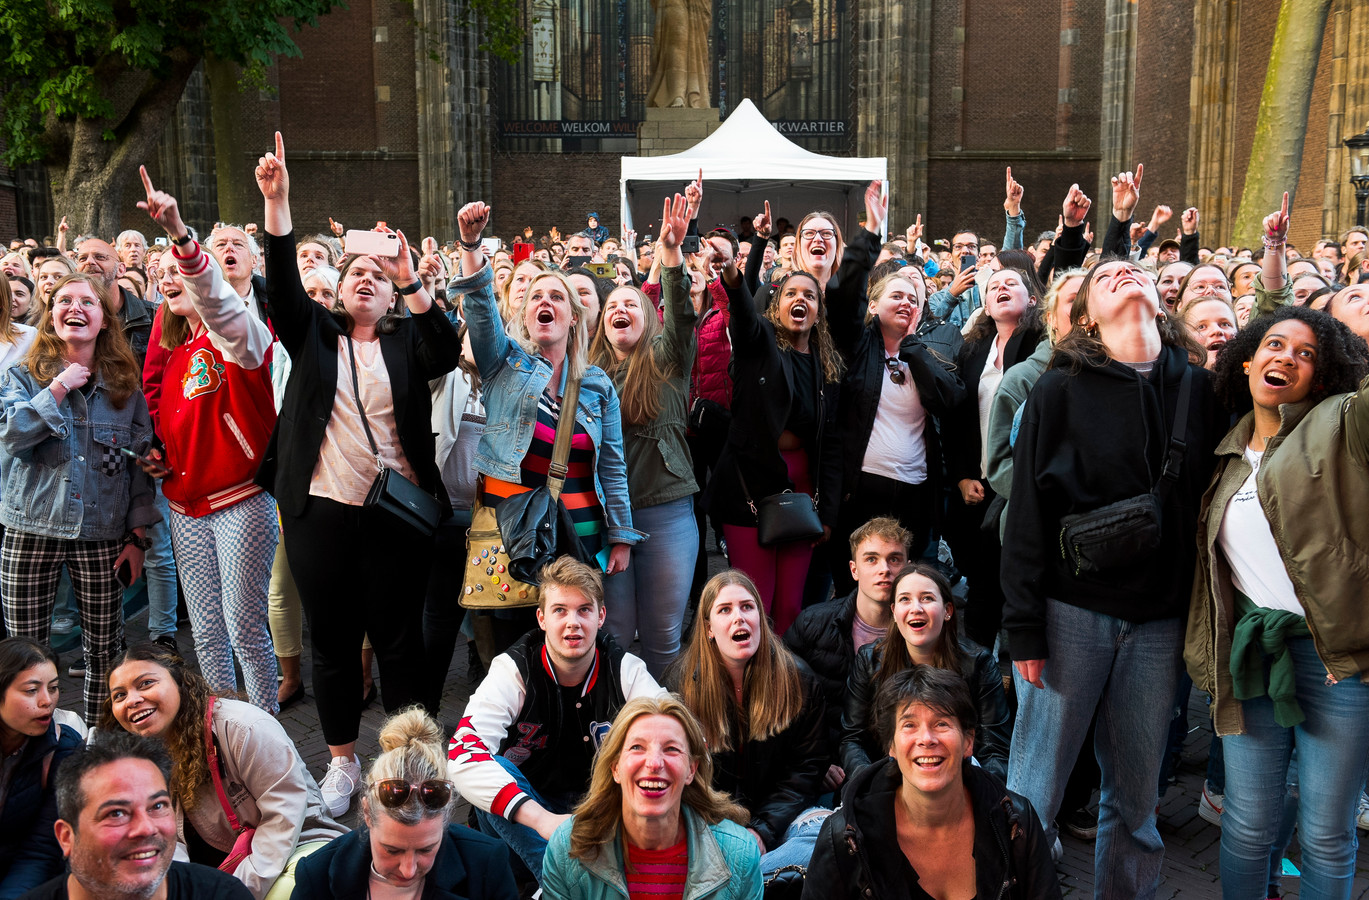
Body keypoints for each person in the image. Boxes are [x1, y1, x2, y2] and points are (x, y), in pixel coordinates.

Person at [1001, 252, 1228, 898]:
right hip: (1067, 615)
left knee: (1134, 805)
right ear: (1085, 321)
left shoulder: (1198, 388)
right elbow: (1026, 518)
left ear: (1163, 302)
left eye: (1135, 272)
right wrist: (1023, 628)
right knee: (1032, 796)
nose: (1123, 275)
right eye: (1104, 276)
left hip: (1157, 624)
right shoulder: (1057, 388)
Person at [253, 132, 463, 815]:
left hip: (395, 516)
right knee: (333, 641)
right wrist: (277, 204)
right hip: (319, 511)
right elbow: (283, 290)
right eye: (354, 275)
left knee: (399, 642)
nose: (364, 281)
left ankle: (402, 758)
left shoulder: (409, 342)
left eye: (375, 277)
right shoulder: (315, 335)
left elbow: (447, 347)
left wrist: (409, 274)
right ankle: (341, 761)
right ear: (339, 292)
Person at [1185, 305, 1369, 900]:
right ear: (1246, 361)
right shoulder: (1226, 454)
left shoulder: (1342, 425)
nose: (1286, 356)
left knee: (1324, 833)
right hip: (1252, 661)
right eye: (1274, 344)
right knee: (1247, 824)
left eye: (1307, 353)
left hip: (1338, 666)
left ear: (1323, 376)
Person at [135, 171, 281, 714]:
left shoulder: (241, 337)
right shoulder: (176, 354)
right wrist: (161, 454)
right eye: (166, 275)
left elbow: (219, 304)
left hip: (240, 499)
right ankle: (225, 729)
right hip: (184, 505)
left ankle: (267, 732)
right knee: (207, 632)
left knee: (245, 627)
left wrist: (179, 233)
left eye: (184, 273)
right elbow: (165, 415)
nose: (173, 278)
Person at [454, 200, 641, 592]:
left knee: (571, 644)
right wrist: (470, 247)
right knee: (513, 648)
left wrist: (621, 534)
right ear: (523, 316)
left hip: (583, 543)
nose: (544, 302)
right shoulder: (504, 365)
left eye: (557, 297)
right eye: (535, 297)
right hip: (514, 542)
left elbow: (612, 466)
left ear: (574, 317)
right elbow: (481, 310)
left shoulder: (597, 385)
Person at [0, 273, 158, 725]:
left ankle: (97, 742)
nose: (75, 308)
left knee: (105, 653)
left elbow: (140, 469)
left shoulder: (125, 391)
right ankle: (31, 744)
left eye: (87, 302)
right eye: (64, 300)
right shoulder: (22, 377)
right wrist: (59, 387)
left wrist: (137, 538)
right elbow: (13, 436)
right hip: (29, 530)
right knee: (24, 654)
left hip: (102, 535)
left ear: (104, 320)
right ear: (50, 316)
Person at [446, 556, 664, 884]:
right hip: (526, 827)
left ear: (601, 616)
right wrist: (543, 820)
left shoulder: (626, 670)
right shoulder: (513, 669)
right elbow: (461, 754)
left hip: (599, 816)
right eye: (560, 610)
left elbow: (675, 734)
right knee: (496, 768)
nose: (572, 622)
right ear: (542, 618)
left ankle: (568, 881)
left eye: (584, 610)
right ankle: (566, 884)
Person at [102, 643, 346, 899]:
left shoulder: (245, 727)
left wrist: (232, 892)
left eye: (145, 683)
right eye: (119, 695)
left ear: (179, 681)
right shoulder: (140, 756)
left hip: (295, 850)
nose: (132, 700)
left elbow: (281, 822)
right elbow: (164, 840)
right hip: (222, 868)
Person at [803, 666, 1061, 900]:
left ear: (968, 741)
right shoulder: (844, 837)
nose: (926, 738)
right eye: (910, 725)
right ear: (890, 745)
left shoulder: (1016, 822)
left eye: (941, 723)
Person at [705, 249, 841, 634]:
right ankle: (749, 690)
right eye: (791, 294)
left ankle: (783, 689)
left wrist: (827, 513)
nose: (801, 300)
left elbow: (829, 443)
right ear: (776, 306)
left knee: (791, 607)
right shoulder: (759, 346)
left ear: (819, 310)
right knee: (756, 604)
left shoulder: (824, 364)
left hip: (801, 499)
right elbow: (745, 317)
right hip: (749, 493)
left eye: (810, 295)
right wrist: (734, 272)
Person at [592, 195, 698, 678]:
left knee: (662, 637)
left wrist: (670, 254)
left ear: (647, 316)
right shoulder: (587, 376)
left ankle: (667, 733)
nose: (621, 309)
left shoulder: (667, 360)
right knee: (613, 637)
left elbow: (681, 317)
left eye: (631, 303)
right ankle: (614, 734)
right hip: (607, 519)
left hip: (666, 511)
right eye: (612, 305)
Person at [666, 570, 830, 871]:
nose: (738, 617)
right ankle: (757, 877)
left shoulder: (799, 679)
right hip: (709, 823)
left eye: (747, 607)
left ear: (760, 619)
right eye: (725, 610)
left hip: (781, 821)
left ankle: (748, 879)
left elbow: (806, 769)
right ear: (709, 628)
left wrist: (762, 830)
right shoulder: (680, 683)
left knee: (824, 834)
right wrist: (731, 833)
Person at [540, 695, 762, 900]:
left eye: (672, 749)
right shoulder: (566, 847)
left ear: (691, 771)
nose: (654, 763)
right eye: (637, 747)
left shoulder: (739, 854)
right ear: (615, 767)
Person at [827, 264, 964, 590]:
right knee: (857, 585)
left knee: (904, 587)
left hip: (915, 494)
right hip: (861, 491)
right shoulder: (855, 349)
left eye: (912, 298)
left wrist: (912, 346)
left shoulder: (924, 354)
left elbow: (950, 401)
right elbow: (842, 302)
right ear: (873, 305)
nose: (905, 302)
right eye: (896, 296)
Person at [290, 707, 518, 900]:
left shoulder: (487, 864)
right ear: (368, 813)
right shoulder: (316, 877)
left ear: (446, 820)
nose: (408, 871)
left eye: (426, 849)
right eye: (391, 850)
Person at [942, 264, 1044, 649]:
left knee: (1016, 583)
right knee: (981, 584)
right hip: (978, 485)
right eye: (993, 287)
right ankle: (982, 676)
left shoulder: (1040, 347)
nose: (1000, 289)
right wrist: (962, 474)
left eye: (1011, 284)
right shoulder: (973, 351)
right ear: (984, 304)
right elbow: (957, 417)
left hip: (1021, 484)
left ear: (1033, 299)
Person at [26, 731, 252, 900]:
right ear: (66, 837)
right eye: (116, 813)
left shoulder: (223, 894)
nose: (146, 828)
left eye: (157, 806)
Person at [839, 563, 1010, 784]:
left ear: (948, 611)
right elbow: (852, 738)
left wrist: (969, 790)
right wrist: (873, 784)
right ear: (893, 612)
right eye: (905, 599)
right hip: (884, 780)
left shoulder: (978, 663)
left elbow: (995, 749)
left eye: (927, 598)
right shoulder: (869, 659)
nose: (916, 608)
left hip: (955, 781)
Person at [785, 517, 910, 768]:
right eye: (871, 559)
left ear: (908, 566)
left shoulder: (921, 630)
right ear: (854, 570)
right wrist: (815, 763)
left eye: (894, 559)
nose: (884, 569)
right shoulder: (813, 624)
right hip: (824, 763)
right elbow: (783, 701)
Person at [0, 638, 83, 900]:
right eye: (31, 690)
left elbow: (41, 850)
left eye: (54, 687)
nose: (47, 701)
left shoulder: (63, 749)